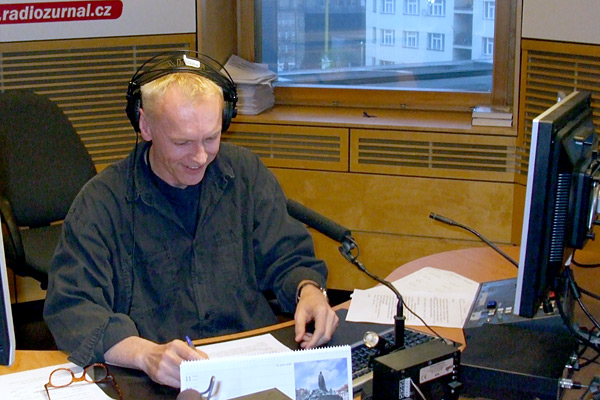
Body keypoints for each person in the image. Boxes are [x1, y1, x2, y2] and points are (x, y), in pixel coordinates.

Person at [43, 52, 339, 389]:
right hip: (155, 381)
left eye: (211, 138)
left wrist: (309, 291)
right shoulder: (101, 203)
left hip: (251, 368)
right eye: (182, 142)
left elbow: (287, 255)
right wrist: (144, 354)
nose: (199, 157)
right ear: (145, 126)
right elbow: (72, 306)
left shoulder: (245, 173)